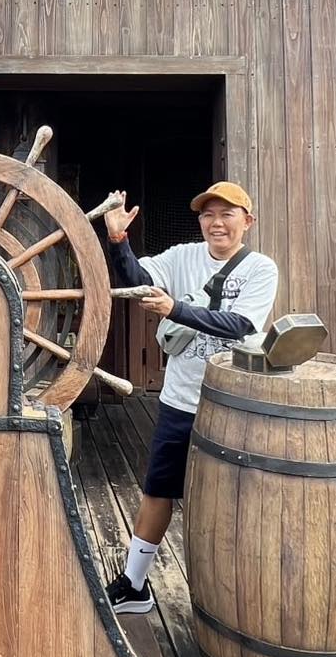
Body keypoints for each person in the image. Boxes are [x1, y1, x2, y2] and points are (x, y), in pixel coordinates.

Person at [103, 181, 278, 613]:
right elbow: (138, 280)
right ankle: (134, 585)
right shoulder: (182, 256)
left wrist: (175, 310)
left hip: (233, 403)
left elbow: (240, 325)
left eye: (227, 214)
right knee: (158, 489)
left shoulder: (261, 269)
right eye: (207, 215)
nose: (216, 223)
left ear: (248, 222)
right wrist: (119, 240)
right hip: (181, 400)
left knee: (233, 500)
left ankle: (235, 597)